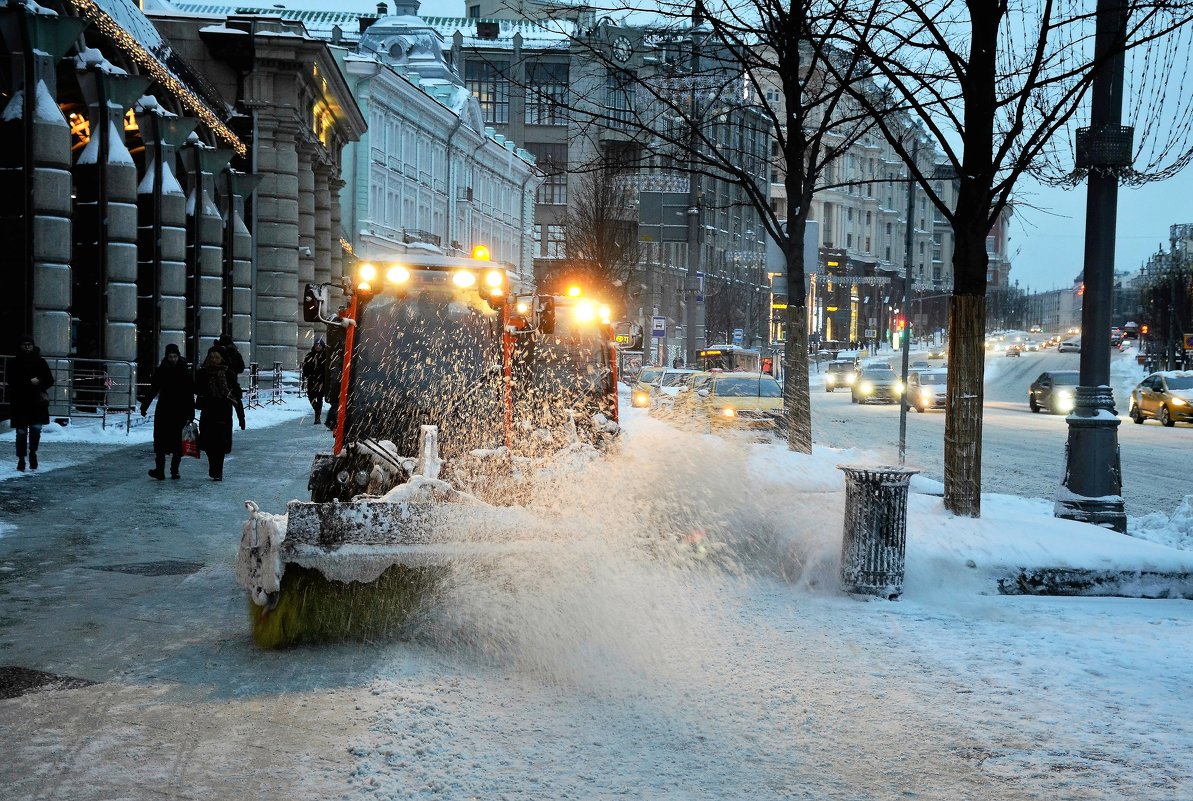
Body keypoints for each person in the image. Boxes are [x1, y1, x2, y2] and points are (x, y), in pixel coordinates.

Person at [139, 343, 195, 481]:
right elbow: (153, 389)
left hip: (180, 411)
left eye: (175, 356)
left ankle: (174, 470)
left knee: (177, 442)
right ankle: (160, 470)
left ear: (178, 355)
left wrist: (191, 413)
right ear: (166, 356)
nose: (173, 359)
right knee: (159, 442)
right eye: (170, 356)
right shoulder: (161, 370)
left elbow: (189, 394)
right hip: (164, 410)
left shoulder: (185, 371)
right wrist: (144, 406)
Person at [195, 348, 245, 481]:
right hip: (208, 412)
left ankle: (218, 471)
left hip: (223, 412)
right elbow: (196, 389)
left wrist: (241, 418)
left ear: (222, 358)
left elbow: (236, 395)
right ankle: (213, 467)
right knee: (208, 443)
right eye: (211, 357)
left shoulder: (229, 374)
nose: (214, 360)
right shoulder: (202, 373)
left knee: (220, 444)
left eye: (216, 357)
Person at [6, 335, 54, 472]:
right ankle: (21, 459)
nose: (27, 347)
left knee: (36, 430)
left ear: (33, 346)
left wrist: (39, 382)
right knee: (21, 432)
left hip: (36, 402)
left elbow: (50, 380)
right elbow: (11, 380)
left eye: (29, 344)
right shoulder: (13, 362)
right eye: (24, 344)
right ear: (20, 346)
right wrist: (29, 382)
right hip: (20, 401)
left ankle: (33, 453)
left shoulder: (40, 361)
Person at [302, 337, 330, 425]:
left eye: (319, 345)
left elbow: (327, 368)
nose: (317, 347)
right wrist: (306, 375)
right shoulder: (309, 355)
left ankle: (317, 417)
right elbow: (305, 366)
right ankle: (316, 409)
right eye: (316, 345)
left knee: (319, 397)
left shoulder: (326, 356)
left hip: (321, 380)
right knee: (311, 396)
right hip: (311, 379)